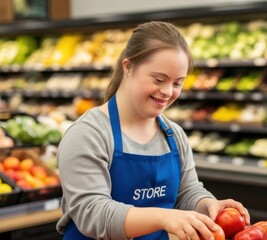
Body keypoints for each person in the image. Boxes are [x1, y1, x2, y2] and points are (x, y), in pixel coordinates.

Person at [56, 21, 250, 240]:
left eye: (178, 83)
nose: (168, 91)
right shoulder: (89, 134)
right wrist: (164, 218)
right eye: (159, 79)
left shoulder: (173, 135)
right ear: (128, 67)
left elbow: (187, 192)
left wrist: (207, 205)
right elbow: (93, 214)